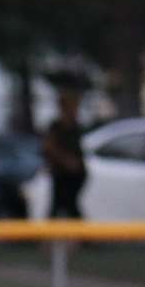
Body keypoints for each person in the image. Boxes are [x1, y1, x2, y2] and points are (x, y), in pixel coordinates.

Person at [41, 87, 89, 219]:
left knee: (68, 205)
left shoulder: (75, 126)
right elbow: (48, 147)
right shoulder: (56, 127)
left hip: (75, 175)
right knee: (61, 206)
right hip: (61, 173)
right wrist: (65, 160)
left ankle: (80, 231)